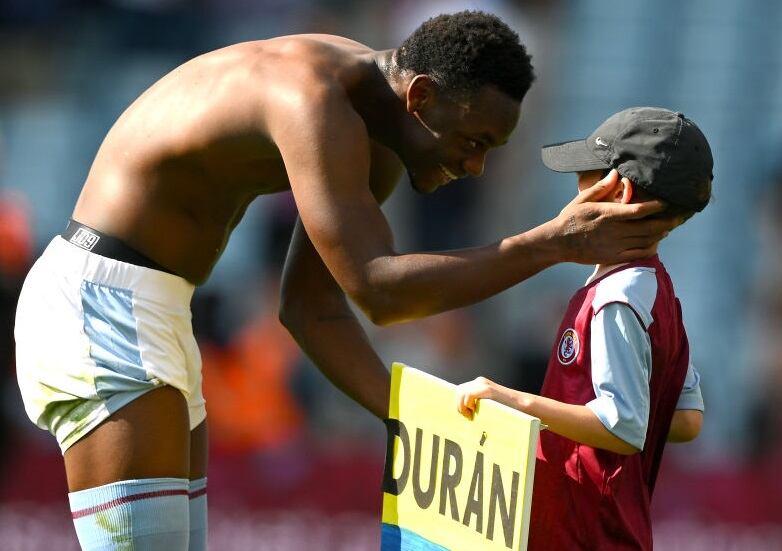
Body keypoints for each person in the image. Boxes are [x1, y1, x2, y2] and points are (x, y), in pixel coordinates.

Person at [13, 11, 674, 550]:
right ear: (420, 97)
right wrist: (548, 244)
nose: (473, 166)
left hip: (150, 309)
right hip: (101, 303)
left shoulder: (375, 122)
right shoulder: (312, 99)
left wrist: (411, 416)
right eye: (471, 140)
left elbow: (312, 306)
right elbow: (377, 290)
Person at [457, 107, 712, 550]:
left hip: (584, 535)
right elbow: (686, 418)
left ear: (619, 191)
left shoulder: (618, 298)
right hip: (610, 531)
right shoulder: (659, 292)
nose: (574, 189)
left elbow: (622, 426)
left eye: (585, 175)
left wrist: (512, 400)